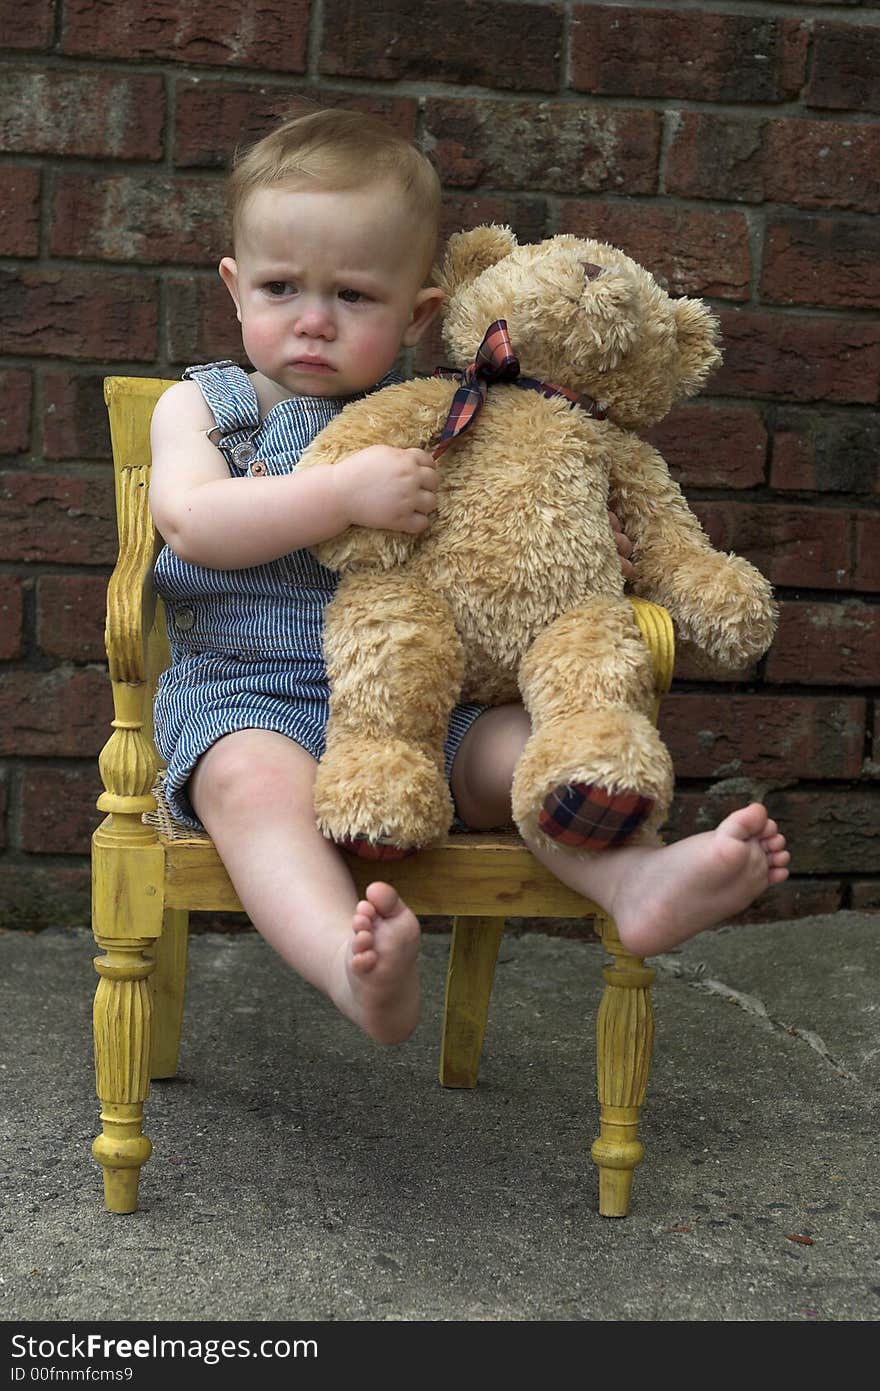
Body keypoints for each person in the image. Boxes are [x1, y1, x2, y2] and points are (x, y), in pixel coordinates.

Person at [149, 106, 789, 1048]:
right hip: (250, 697)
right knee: (250, 788)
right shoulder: (203, 404)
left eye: (354, 297)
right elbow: (192, 524)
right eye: (282, 287)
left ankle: (635, 881)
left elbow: (508, 530)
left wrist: (574, 552)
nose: (314, 320)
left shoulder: (457, 419)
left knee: (528, 743)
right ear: (236, 290)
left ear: (416, 314)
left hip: (427, 702)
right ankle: (347, 964)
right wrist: (339, 494)